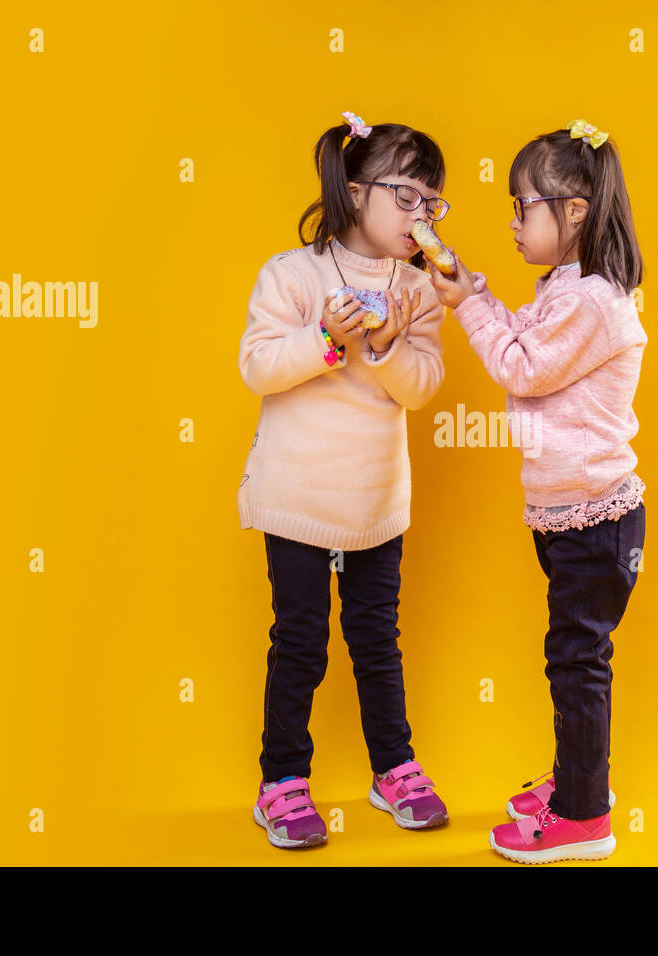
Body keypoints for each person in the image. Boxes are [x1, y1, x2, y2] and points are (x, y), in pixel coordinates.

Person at [425, 118, 647, 864]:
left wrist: (465, 306)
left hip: (593, 518)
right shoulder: (566, 288)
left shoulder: (593, 302)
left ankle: (584, 816)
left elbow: (522, 367)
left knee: (577, 659)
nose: (515, 223)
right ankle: (579, 778)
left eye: (524, 207)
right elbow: (527, 339)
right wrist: (478, 293)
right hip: (570, 513)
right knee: (574, 656)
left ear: (574, 210)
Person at [238, 110, 450, 848]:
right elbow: (258, 366)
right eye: (408, 197)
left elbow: (421, 387)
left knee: (376, 638)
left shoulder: (418, 289)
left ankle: (393, 767)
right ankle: (282, 782)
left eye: (433, 202)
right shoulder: (290, 274)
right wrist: (325, 339)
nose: (422, 215)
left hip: (375, 499)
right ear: (356, 192)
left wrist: (388, 346)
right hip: (296, 495)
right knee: (300, 639)